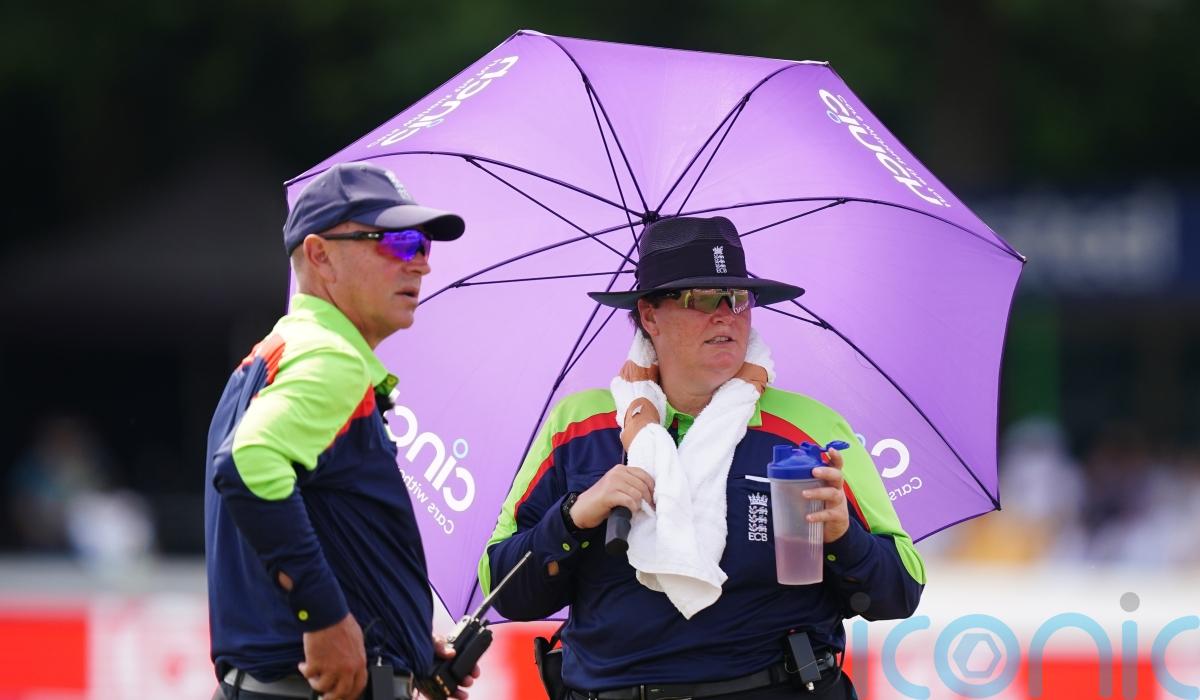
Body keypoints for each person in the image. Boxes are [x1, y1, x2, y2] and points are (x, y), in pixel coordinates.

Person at [480, 216, 925, 699]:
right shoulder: (578, 423)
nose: (726, 315)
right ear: (649, 315)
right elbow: (506, 590)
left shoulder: (810, 427)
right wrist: (575, 516)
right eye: (703, 298)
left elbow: (899, 592)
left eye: (739, 299)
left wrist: (842, 536)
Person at [205, 162, 478, 700]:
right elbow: (246, 464)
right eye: (396, 241)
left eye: (423, 245)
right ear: (320, 256)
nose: (421, 263)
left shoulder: (277, 353)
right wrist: (325, 617)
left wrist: (403, 640)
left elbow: (319, 524)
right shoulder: (330, 358)